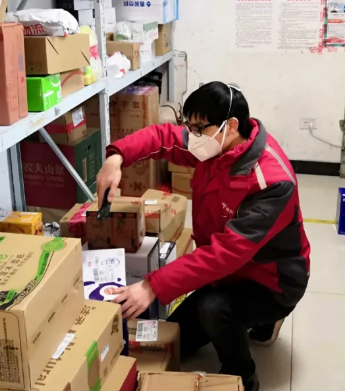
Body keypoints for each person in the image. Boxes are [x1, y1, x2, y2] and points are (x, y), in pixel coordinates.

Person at [97, 82, 310, 391]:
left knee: (214, 309)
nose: (191, 135)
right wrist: (116, 157)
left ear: (231, 125)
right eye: (189, 126)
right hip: (229, 274)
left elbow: (224, 254)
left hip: (273, 280)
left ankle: (243, 377)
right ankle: (256, 319)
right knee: (177, 336)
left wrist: (151, 286)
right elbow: (162, 137)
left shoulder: (271, 183)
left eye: (198, 128)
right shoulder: (214, 144)